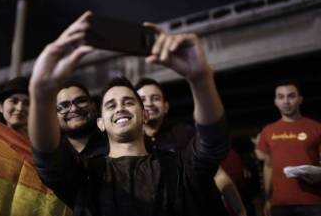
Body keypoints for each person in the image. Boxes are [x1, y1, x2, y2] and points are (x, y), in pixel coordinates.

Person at [28, 11, 229, 216]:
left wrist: (201, 80)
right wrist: (41, 94)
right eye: (110, 105)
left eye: (128, 102)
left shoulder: (179, 168)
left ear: (145, 115)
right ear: (101, 123)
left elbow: (212, 143)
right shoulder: (85, 174)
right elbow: (48, 159)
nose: (120, 108)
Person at [136, 77, 245, 216]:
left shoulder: (184, 133)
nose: (149, 103)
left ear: (166, 106)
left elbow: (218, 175)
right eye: (143, 99)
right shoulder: (130, 144)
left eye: (155, 98)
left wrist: (240, 211)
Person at [257, 80, 321, 216]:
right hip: (280, 203)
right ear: (275, 101)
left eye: (291, 96)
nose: (286, 101)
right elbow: (268, 166)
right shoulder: (268, 130)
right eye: (281, 97)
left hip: (313, 201)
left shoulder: (316, 128)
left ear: (300, 99)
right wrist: (267, 199)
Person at [56, 81, 107, 157]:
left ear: (93, 106)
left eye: (80, 101)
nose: (74, 109)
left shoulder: (114, 141)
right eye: (64, 106)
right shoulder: (50, 152)